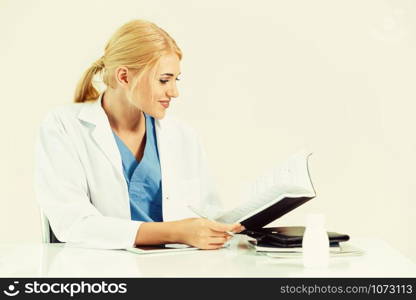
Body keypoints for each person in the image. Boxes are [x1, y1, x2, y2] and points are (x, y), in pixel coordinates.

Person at [35, 19, 244, 250]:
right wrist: (176, 232)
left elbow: (207, 212)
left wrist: (234, 227)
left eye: (176, 79)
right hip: (102, 274)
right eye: (164, 80)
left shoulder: (183, 135)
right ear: (124, 77)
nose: (174, 92)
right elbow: (73, 223)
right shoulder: (64, 126)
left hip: (179, 269)